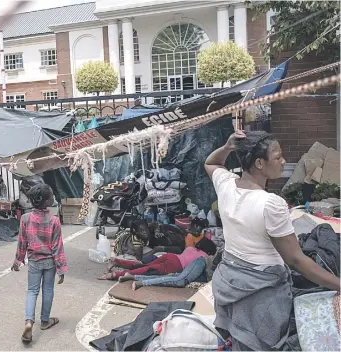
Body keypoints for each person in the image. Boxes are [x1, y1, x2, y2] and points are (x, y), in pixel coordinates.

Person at [204, 130, 340, 351]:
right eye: (278, 157)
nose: (283, 161)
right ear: (259, 163)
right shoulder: (270, 203)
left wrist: (228, 146)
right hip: (260, 294)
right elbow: (296, 260)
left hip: (229, 282)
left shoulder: (227, 184)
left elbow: (211, 163)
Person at [11, 184, 67, 343]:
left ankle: (29, 322)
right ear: (48, 201)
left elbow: (22, 242)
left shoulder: (25, 219)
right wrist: (61, 268)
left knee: (32, 291)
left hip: (34, 261)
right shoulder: (54, 220)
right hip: (50, 262)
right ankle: (45, 321)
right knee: (48, 289)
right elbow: (57, 247)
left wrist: (18, 261)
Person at [97, 238, 216, 280]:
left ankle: (118, 261)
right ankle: (115, 275)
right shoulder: (205, 257)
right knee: (146, 271)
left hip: (170, 256)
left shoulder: (190, 248)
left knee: (144, 266)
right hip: (175, 266)